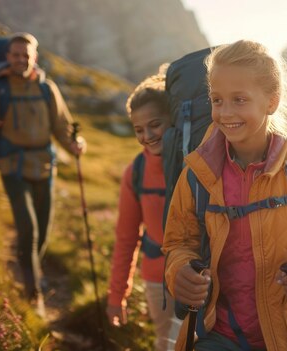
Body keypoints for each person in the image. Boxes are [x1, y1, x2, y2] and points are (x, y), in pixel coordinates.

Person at [162, 40, 287, 351]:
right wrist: (179, 270)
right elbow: (179, 243)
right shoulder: (196, 174)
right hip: (215, 335)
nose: (225, 112)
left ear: (271, 102)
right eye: (217, 100)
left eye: (240, 99)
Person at [0, 32, 85, 316]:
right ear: (7, 57)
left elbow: (62, 127)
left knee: (43, 232)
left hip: (45, 168)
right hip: (13, 168)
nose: (20, 60)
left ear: (34, 57)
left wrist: (75, 146)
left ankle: (28, 269)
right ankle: (32, 293)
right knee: (28, 229)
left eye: (26, 55)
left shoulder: (47, 89)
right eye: (15, 55)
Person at [106, 69, 182, 351]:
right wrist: (117, 297)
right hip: (157, 280)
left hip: (202, 277)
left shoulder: (196, 163)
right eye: (139, 129)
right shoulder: (135, 173)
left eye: (155, 125)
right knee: (167, 344)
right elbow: (126, 238)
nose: (147, 136)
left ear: (171, 119)